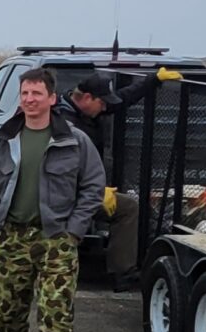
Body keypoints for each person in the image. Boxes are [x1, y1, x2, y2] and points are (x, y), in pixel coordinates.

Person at [0, 67, 105, 332]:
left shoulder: (75, 141)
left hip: (56, 240)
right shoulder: (7, 139)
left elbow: (93, 187)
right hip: (12, 237)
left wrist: (74, 230)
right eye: (25, 94)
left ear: (51, 98)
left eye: (37, 94)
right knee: (10, 311)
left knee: (56, 313)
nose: (30, 100)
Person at [57, 68, 181, 279]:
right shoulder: (61, 121)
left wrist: (153, 80)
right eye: (103, 103)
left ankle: (122, 271)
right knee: (118, 209)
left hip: (88, 190)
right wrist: (93, 190)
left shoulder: (88, 109)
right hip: (61, 195)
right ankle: (65, 267)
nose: (106, 108)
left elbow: (123, 98)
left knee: (128, 207)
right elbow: (60, 169)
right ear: (87, 98)